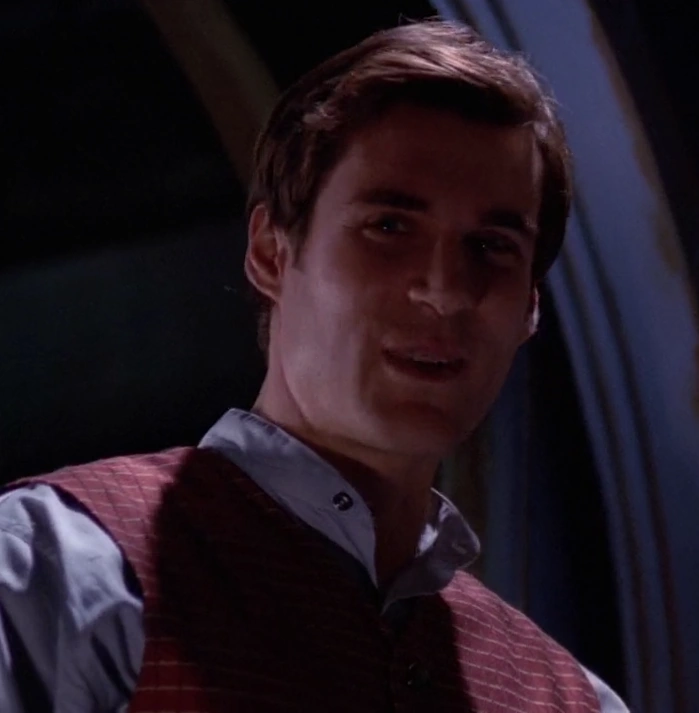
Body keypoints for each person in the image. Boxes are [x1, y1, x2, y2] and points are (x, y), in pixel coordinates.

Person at [0, 19, 629, 713]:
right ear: (271, 253)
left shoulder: (571, 699)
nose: (445, 290)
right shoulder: (59, 571)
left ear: (529, 308)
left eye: (491, 246)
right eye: (389, 226)